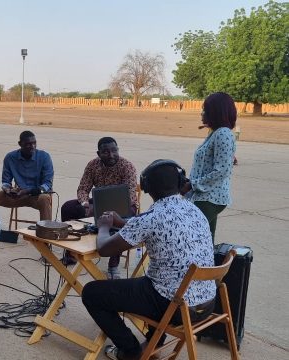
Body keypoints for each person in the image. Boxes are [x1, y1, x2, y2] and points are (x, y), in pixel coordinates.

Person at [82, 160, 215, 360]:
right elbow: (151, 224)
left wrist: (103, 226)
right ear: (180, 182)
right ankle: (153, 343)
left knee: (92, 293)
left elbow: (104, 249)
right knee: (153, 282)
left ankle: (131, 351)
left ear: (145, 187)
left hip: (175, 307)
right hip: (206, 305)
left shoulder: (152, 218)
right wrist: (123, 222)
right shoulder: (194, 210)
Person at [60, 137, 138, 278]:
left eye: (114, 150)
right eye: (106, 152)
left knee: (120, 218)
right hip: (99, 201)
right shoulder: (92, 165)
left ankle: (113, 266)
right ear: (98, 153)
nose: (111, 155)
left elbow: (131, 195)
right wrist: (85, 204)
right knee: (68, 208)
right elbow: (83, 189)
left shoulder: (127, 166)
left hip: (123, 204)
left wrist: (107, 209)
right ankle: (71, 253)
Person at [0, 130, 54, 233]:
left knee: (45, 199)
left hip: (36, 196)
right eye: (28, 144)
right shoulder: (10, 157)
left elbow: (47, 184)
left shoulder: (44, 157)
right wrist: (8, 190)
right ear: (20, 144)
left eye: (34, 143)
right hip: (17, 195)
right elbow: (6, 181)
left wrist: (28, 191)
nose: (32, 146)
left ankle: (46, 236)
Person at [181, 92, 237, 241]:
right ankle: (209, 264)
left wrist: (192, 185)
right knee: (206, 240)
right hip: (204, 195)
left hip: (209, 197)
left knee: (191, 239)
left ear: (216, 112)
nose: (202, 113)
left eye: (205, 110)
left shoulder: (223, 134)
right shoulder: (215, 133)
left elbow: (222, 170)